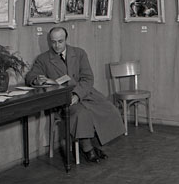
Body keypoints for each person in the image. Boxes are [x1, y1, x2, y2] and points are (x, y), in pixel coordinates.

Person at [25, 27, 124, 163]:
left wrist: (77, 94)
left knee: (109, 108)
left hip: (84, 93)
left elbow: (88, 78)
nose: (57, 45)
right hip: (62, 99)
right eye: (53, 42)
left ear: (66, 39)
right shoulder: (43, 59)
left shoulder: (79, 53)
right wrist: (37, 80)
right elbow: (30, 76)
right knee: (81, 114)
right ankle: (88, 149)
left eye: (60, 41)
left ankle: (97, 144)